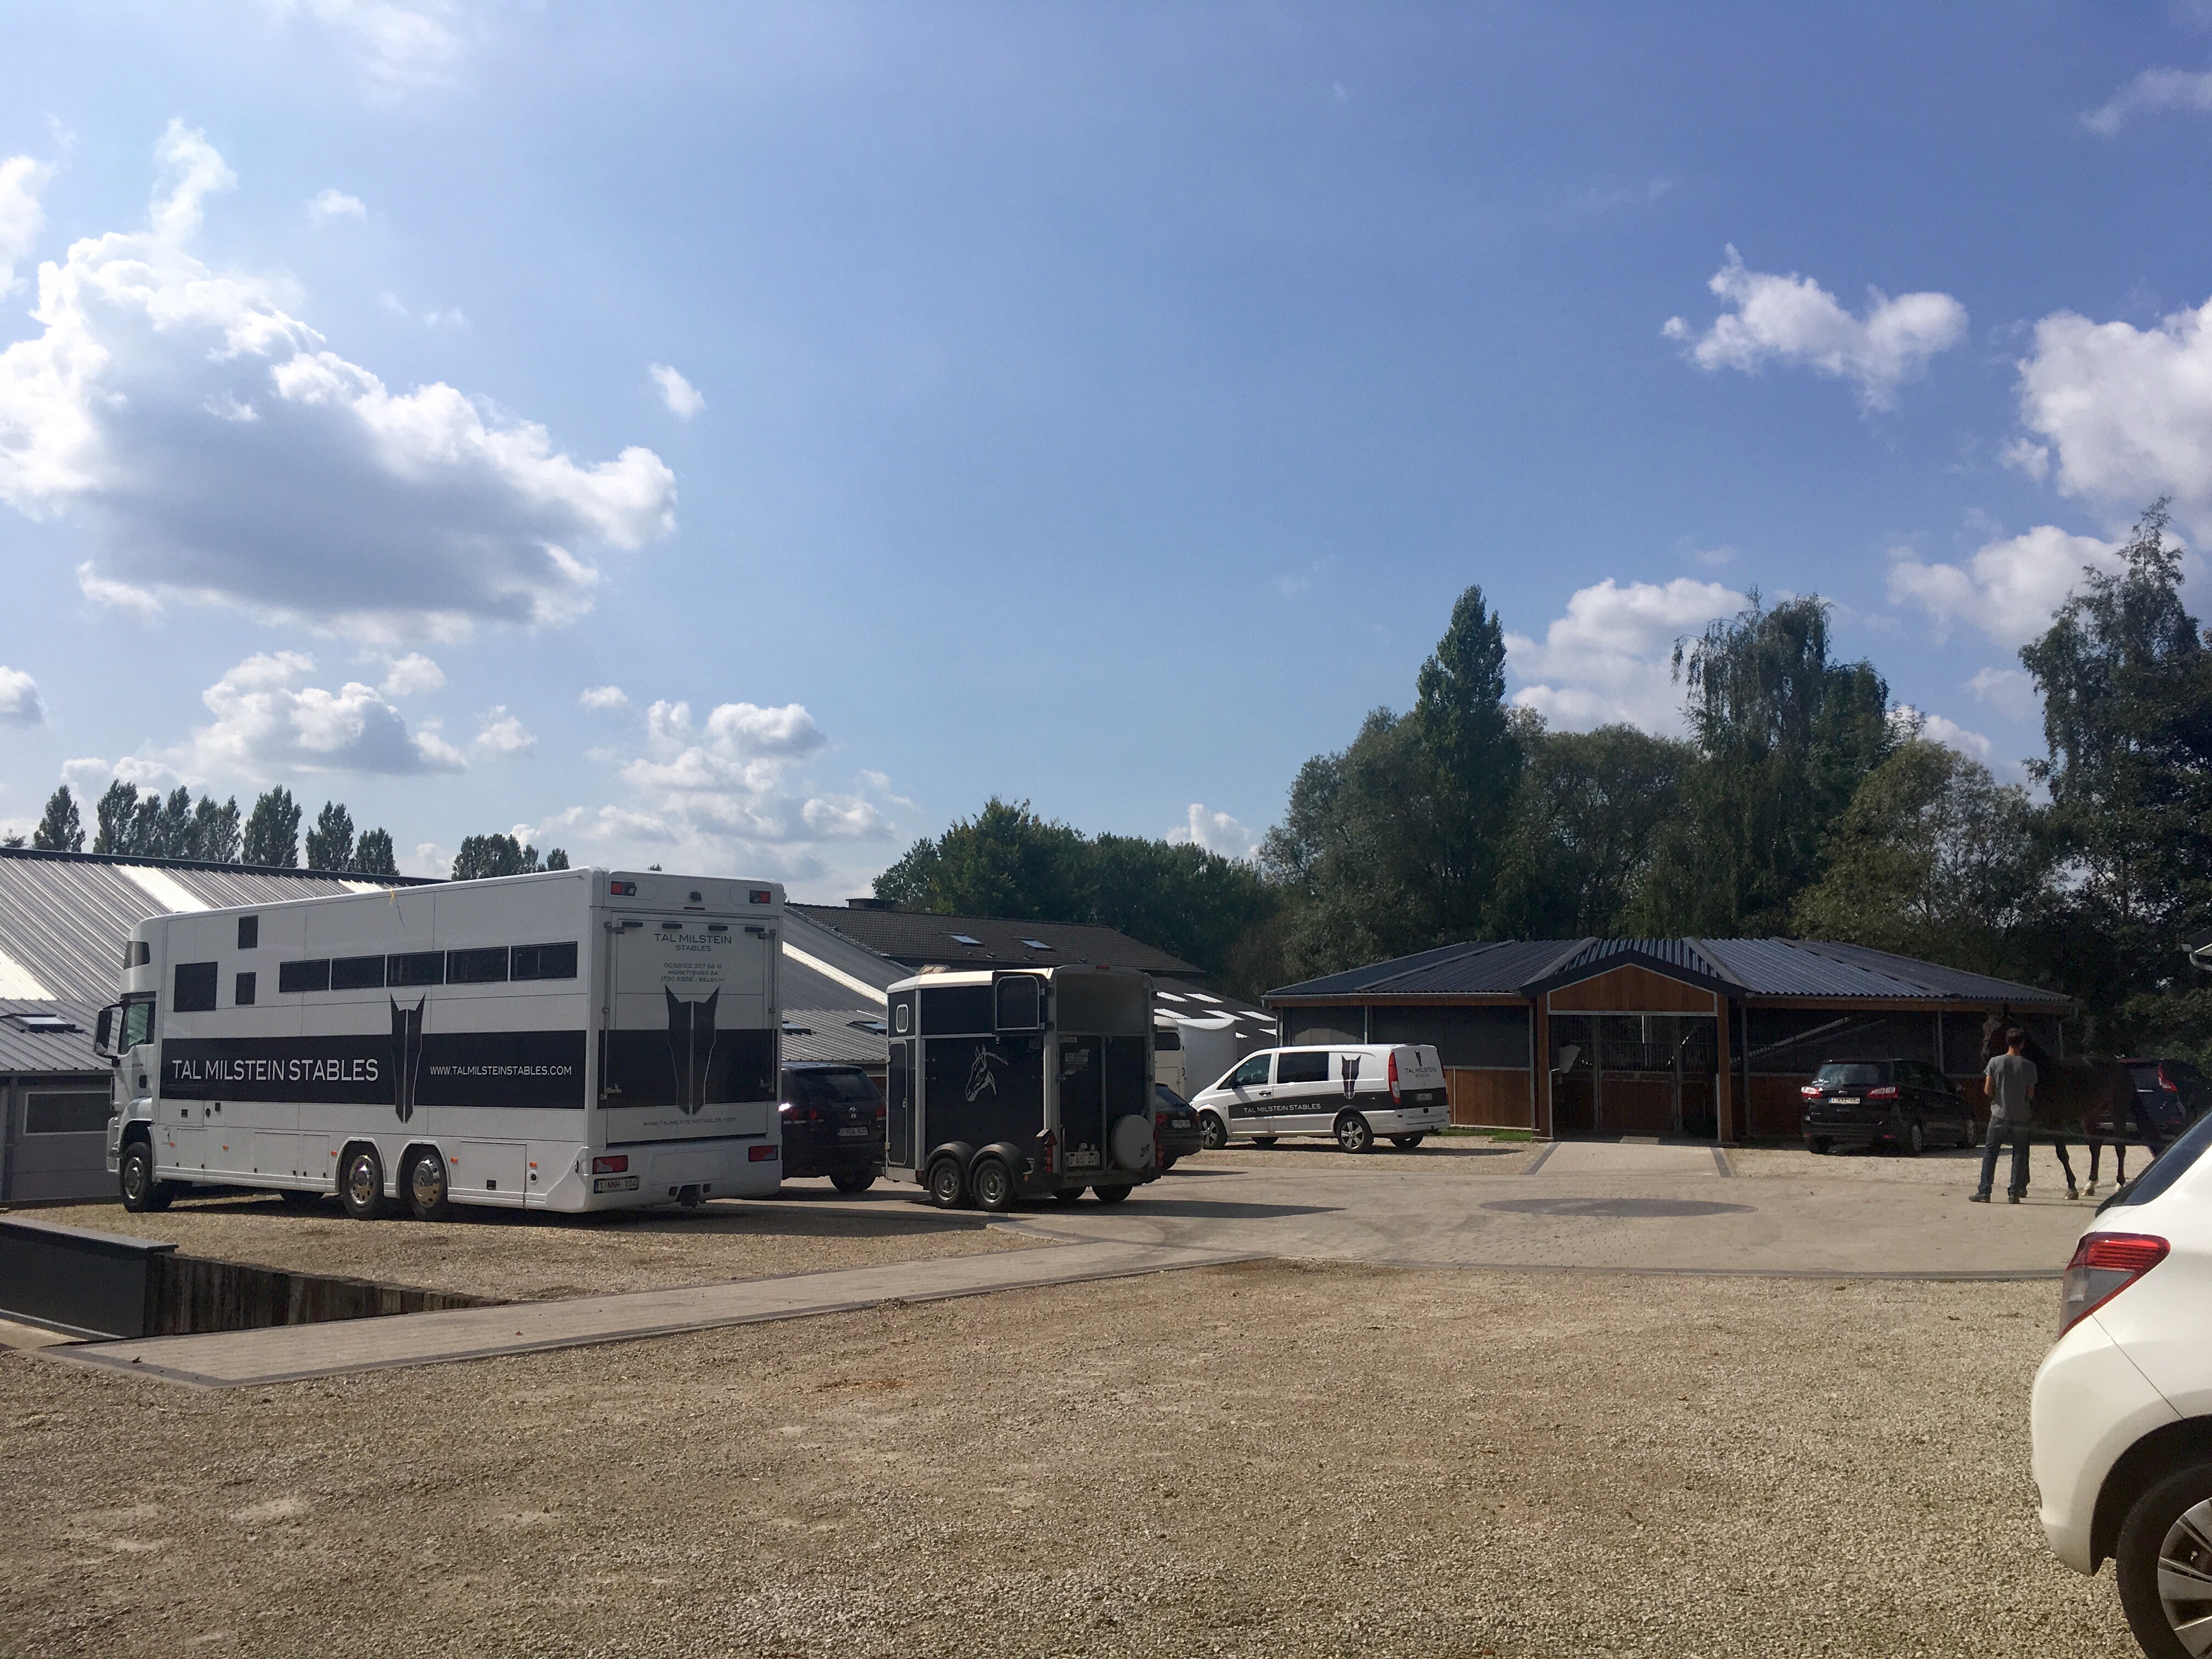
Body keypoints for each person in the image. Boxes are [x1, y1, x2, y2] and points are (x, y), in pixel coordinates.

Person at [1972, 1027, 2040, 1204]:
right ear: (2022, 1044)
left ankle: (1985, 1191)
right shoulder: (2029, 1065)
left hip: (1999, 1113)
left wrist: (1999, 1098)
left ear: (2007, 1042)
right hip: (2021, 1115)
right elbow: (2031, 1093)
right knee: (2019, 1154)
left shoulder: (1995, 1062)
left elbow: (1987, 1089)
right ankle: (2014, 1192)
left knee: (1991, 1152)